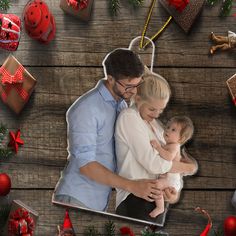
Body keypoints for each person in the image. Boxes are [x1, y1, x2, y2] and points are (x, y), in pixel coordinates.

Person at [52, 48, 180, 211]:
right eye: (128, 86)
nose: (134, 91)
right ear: (110, 79)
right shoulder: (87, 109)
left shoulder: (122, 105)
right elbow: (86, 165)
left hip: (99, 203)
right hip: (76, 197)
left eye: (137, 85)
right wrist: (132, 186)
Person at [115, 70, 197, 222]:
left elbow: (170, 164)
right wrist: (188, 168)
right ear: (138, 99)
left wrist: (173, 194)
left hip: (155, 199)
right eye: (152, 109)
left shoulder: (156, 125)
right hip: (134, 199)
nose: (157, 114)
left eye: (161, 110)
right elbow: (155, 164)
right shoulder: (129, 117)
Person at [149, 116, 194, 218]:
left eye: (173, 130)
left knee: (156, 186)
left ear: (181, 139)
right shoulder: (169, 144)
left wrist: (158, 147)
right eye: (168, 127)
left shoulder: (174, 146)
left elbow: (168, 157)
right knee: (157, 186)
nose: (167, 130)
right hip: (168, 177)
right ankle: (160, 206)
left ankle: (160, 208)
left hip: (171, 180)